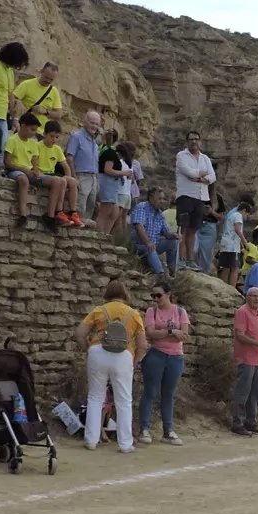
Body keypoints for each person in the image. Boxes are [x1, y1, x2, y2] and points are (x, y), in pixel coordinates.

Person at [74, 280, 147, 453]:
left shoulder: (99, 310)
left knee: (95, 397)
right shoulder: (133, 314)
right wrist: (134, 361)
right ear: (125, 294)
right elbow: (142, 345)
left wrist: (88, 350)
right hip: (123, 356)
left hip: (98, 352)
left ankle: (91, 440)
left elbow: (79, 334)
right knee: (124, 400)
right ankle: (125, 444)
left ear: (107, 294)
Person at [137, 284, 189, 446]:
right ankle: (144, 428)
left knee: (169, 394)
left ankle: (168, 430)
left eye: (159, 295)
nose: (156, 299)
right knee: (150, 391)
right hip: (156, 354)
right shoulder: (151, 311)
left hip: (175, 356)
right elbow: (150, 333)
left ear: (168, 294)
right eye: (153, 296)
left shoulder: (180, 312)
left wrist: (161, 334)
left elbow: (184, 335)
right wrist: (171, 332)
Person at [231, 287, 258, 437]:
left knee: (255, 392)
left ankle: (251, 421)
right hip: (246, 357)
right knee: (243, 391)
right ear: (247, 297)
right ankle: (237, 423)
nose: (257, 299)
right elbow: (240, 335)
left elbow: (256, 332)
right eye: (253, 296)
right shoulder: (242, 312)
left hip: (257, 358)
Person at [173, 131, 216, 271]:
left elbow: (212, 177)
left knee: (193, 230)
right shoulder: (181, 156)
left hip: (201, 198)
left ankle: (190, 260)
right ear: (187, 141)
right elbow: (188, 172)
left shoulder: (205, 158)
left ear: (200, 141)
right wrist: (202, 174)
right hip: (186, 196)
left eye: (196, 139)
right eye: (191, 139)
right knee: (183, 228)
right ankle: (181, 259)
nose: (194, 141)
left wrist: (199, 178)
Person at [35, 120, 85, 228]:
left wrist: (68, 178)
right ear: (44, 134)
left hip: (52, 174)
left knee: (73, 182)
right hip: (41, 174)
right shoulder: (37, 146)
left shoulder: (57, 149)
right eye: (51, 136)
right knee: (61, 181)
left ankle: (73, 212)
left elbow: (66, 167)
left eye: (57, 137)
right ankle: (58, 212)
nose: (54, 140)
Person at [128, 186, 178, 276]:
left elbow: (166, 233)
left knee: (173, 242)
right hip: (139, 245)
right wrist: (148, 242)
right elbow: (139, 226)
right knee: (150, 248)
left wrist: (174, 235)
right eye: (159, 198)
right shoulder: (142, 207)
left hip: (153, 244)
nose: (162, 201)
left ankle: (172, 271)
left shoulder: (159, 213)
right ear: (151, 197)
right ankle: (161, 275)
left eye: (163, 199)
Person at [66, 110, 102, 219]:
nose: (94, 126)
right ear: (85, 121)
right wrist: (74, 177)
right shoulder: (76, 136)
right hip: (81, 176)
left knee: (90, 208)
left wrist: (97, 181)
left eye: (97, 124)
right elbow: (69, 158)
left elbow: (95, 163)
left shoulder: (94, 141)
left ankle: (84, 228)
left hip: (93, 178)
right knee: (80, 207)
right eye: (92, 122)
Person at [13, 61, 64, 131]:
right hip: (24, 128)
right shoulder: (27, 84)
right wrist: (19, 103)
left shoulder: (54, 91)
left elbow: (59, 114)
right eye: (46, 77)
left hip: (41, 132)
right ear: (41, 71)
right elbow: (12, 99)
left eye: (51, 79)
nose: (48, 81)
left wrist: (45, 111)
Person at [95, 137, 131, 233]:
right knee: (105, 212)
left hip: (112, 187)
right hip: (107, 184)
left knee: (114, 213)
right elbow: (108, 170)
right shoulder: (110, 154)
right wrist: (124, 173)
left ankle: (105, 233)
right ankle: (99, 233)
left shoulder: (110, 154)